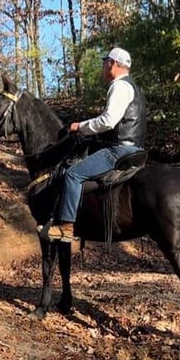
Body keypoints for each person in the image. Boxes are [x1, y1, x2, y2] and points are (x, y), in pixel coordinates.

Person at [44, 47, 147, 242]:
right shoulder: (134, 87)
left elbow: (108, 120)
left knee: (73, 174)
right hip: (136, 148)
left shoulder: (119, 86)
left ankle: (66, 227)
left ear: (112, 64)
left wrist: (80, 127)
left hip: (120, 150)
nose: (103, 66)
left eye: (104, 62)